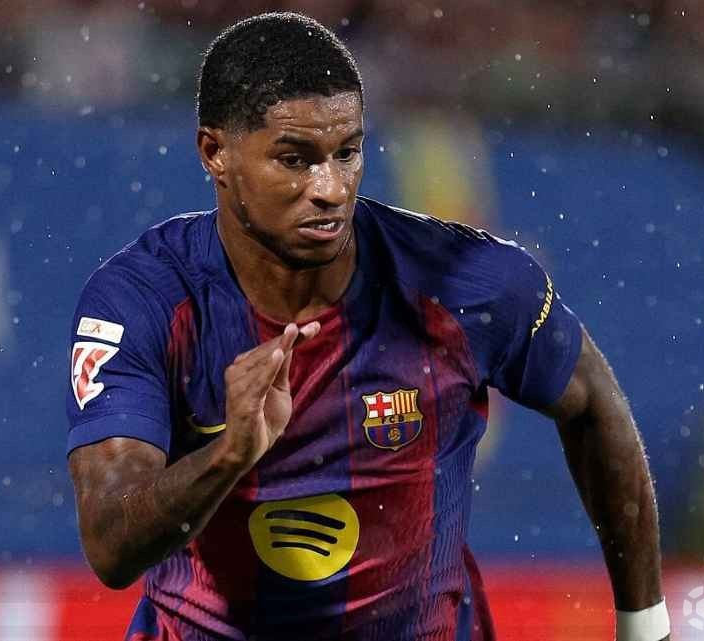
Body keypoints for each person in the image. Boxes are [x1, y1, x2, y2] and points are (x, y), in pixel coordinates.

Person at [66, 12, 669, 641]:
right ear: (215, 152)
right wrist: (228, 455)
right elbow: (110, 545)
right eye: (295, 159)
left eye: (347, 152)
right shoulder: (142, 301)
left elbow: (592, 402)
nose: (329, 188)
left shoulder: (465, 282)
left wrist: (645, 627)